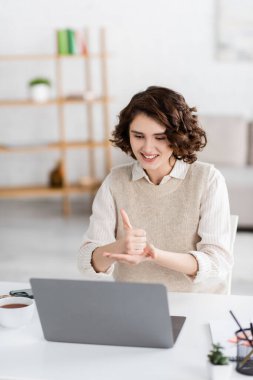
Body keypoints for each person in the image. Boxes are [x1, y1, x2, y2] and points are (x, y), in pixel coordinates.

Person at [78, 86, 232, 294]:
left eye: (160, 137)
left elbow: (218, 263)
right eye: (138, 136)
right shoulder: (115, 181)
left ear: (177, 136)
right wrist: (117, 247)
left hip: (196, 304)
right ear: (128, 135)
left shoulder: (208, 180)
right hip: (135, 304)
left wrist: (154, 254)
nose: (147, 148)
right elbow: (86, 263)